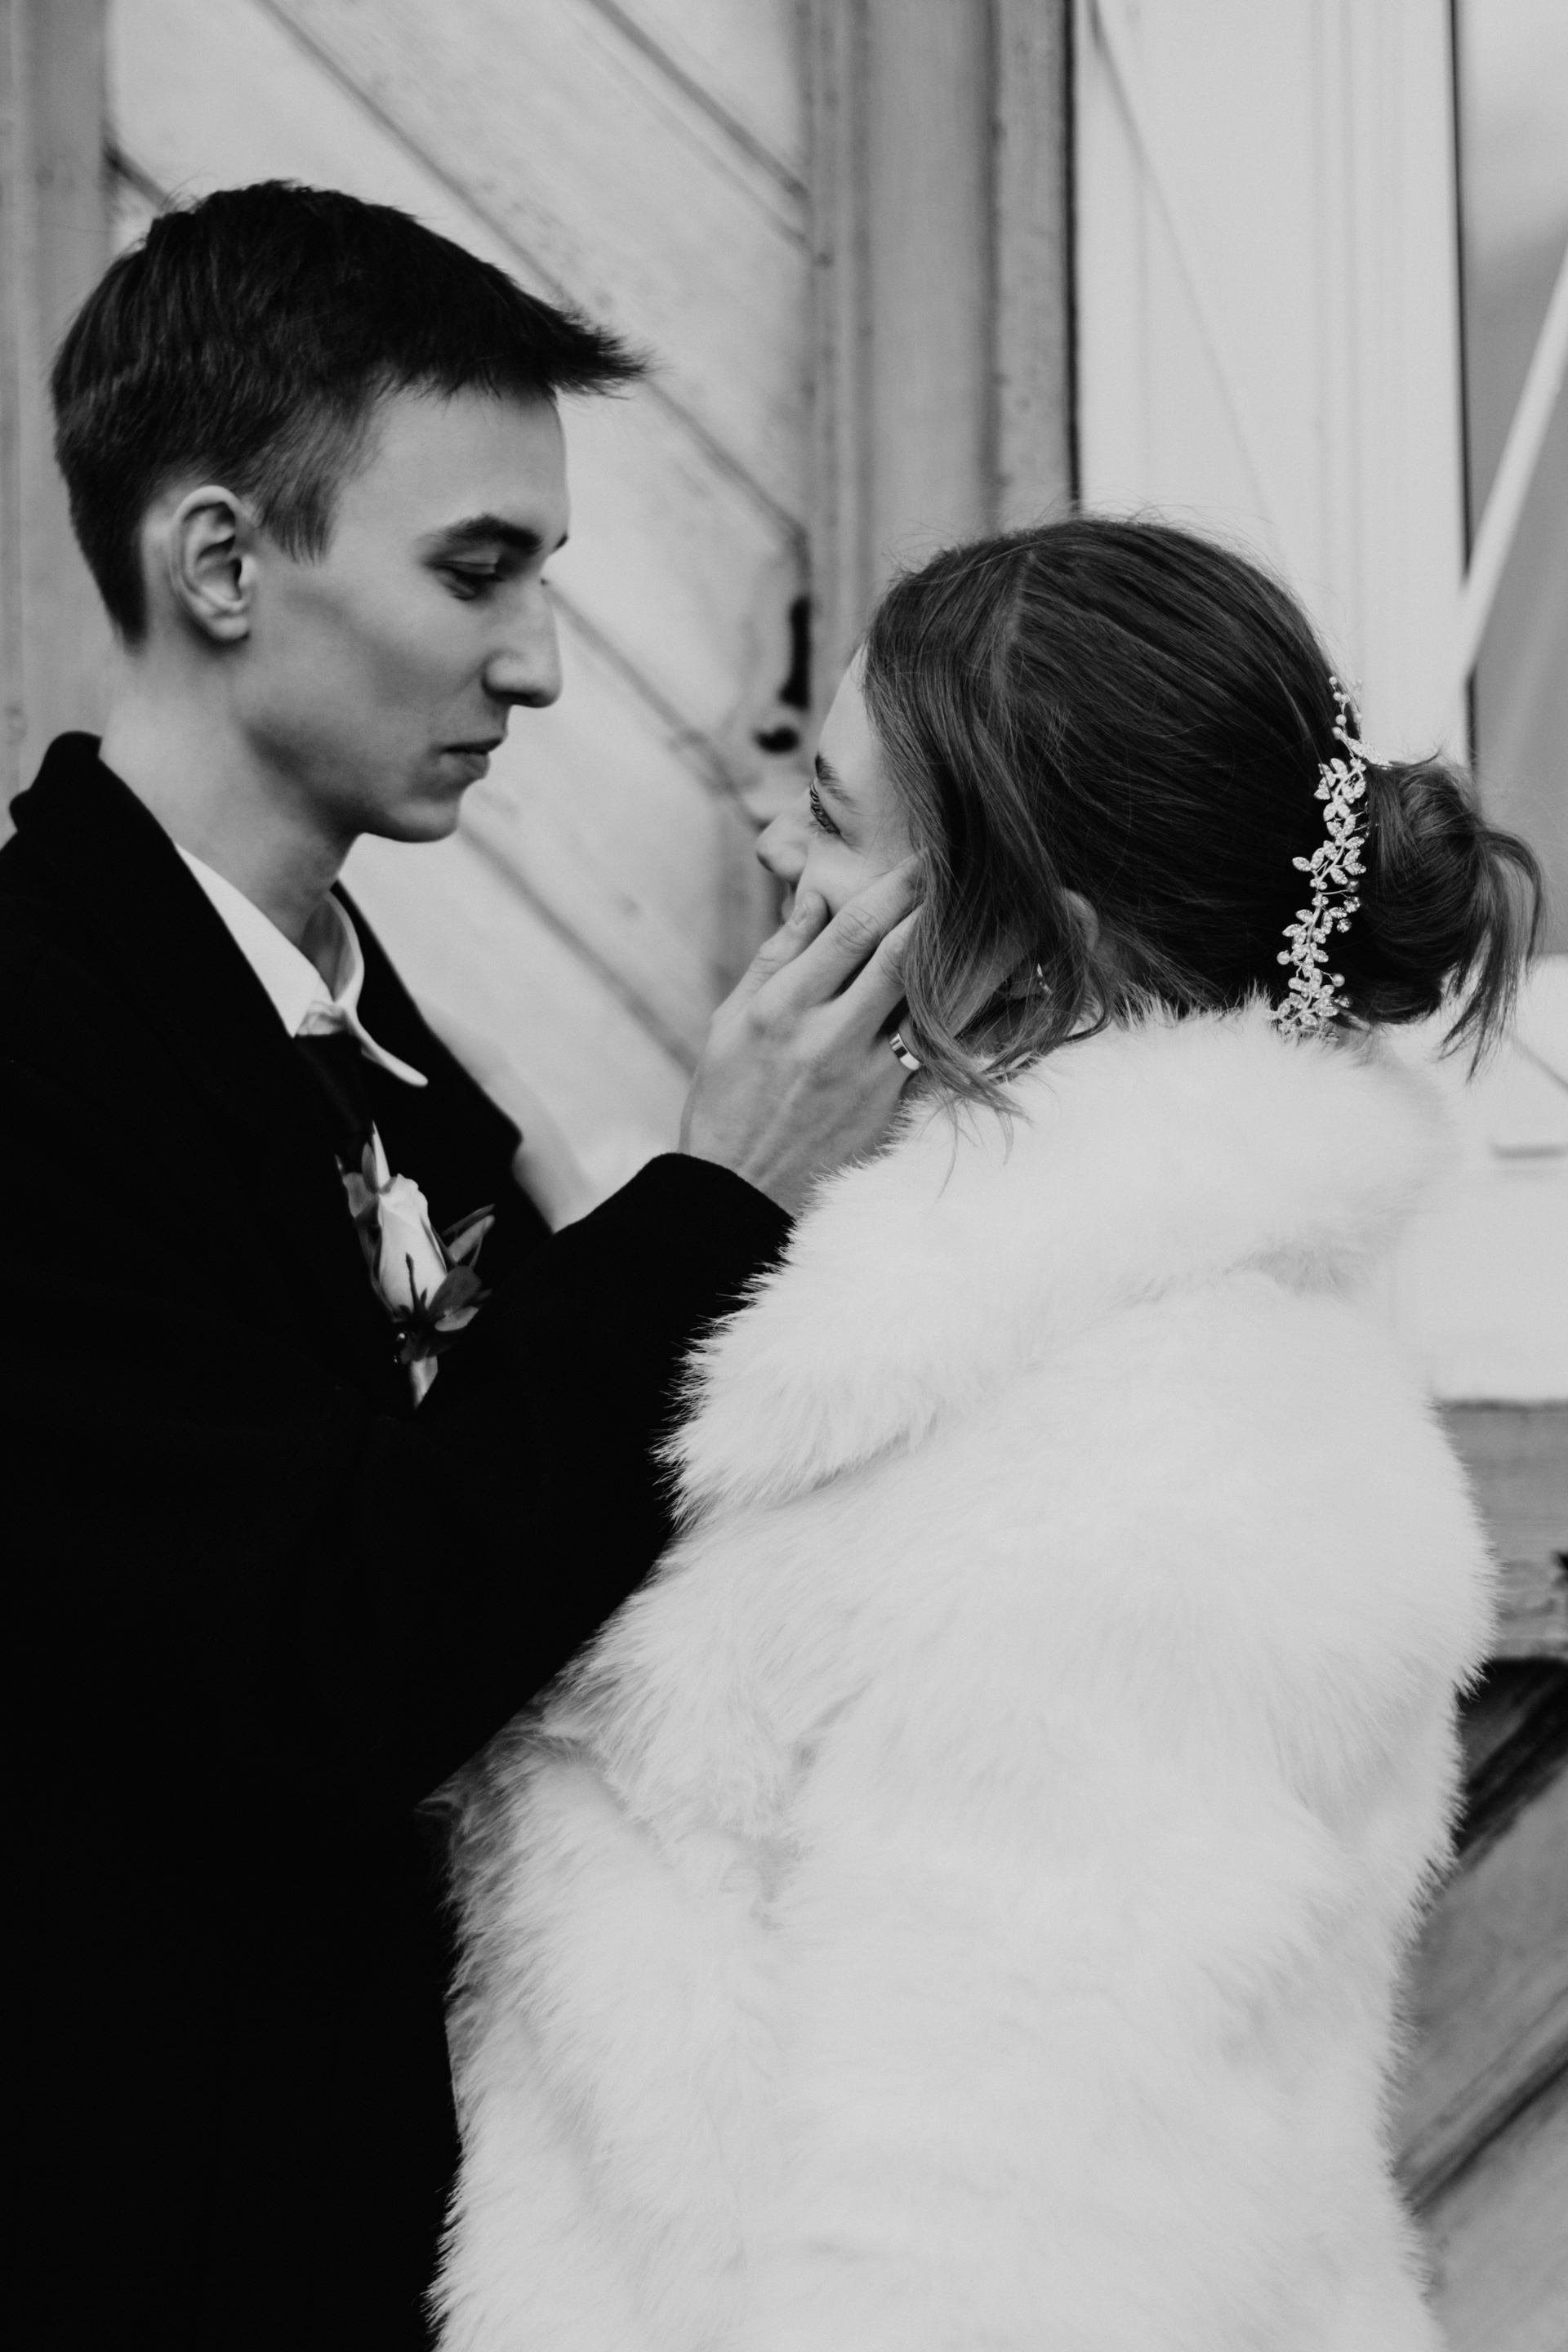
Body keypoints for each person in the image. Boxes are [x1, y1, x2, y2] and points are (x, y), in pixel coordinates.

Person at [438, 519, 1544, 2352]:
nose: (772, 841)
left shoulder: (1152, 1489)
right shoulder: (996, 1351)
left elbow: (991, 2266)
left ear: (1045, 946)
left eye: (836, 819)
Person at [0, 183, 916, 2350]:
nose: (539, 663)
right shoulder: (34, 1040)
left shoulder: (384, 1045)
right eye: (477, 568)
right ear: (223, 562)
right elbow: (316, 1665)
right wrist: (713, 1208)